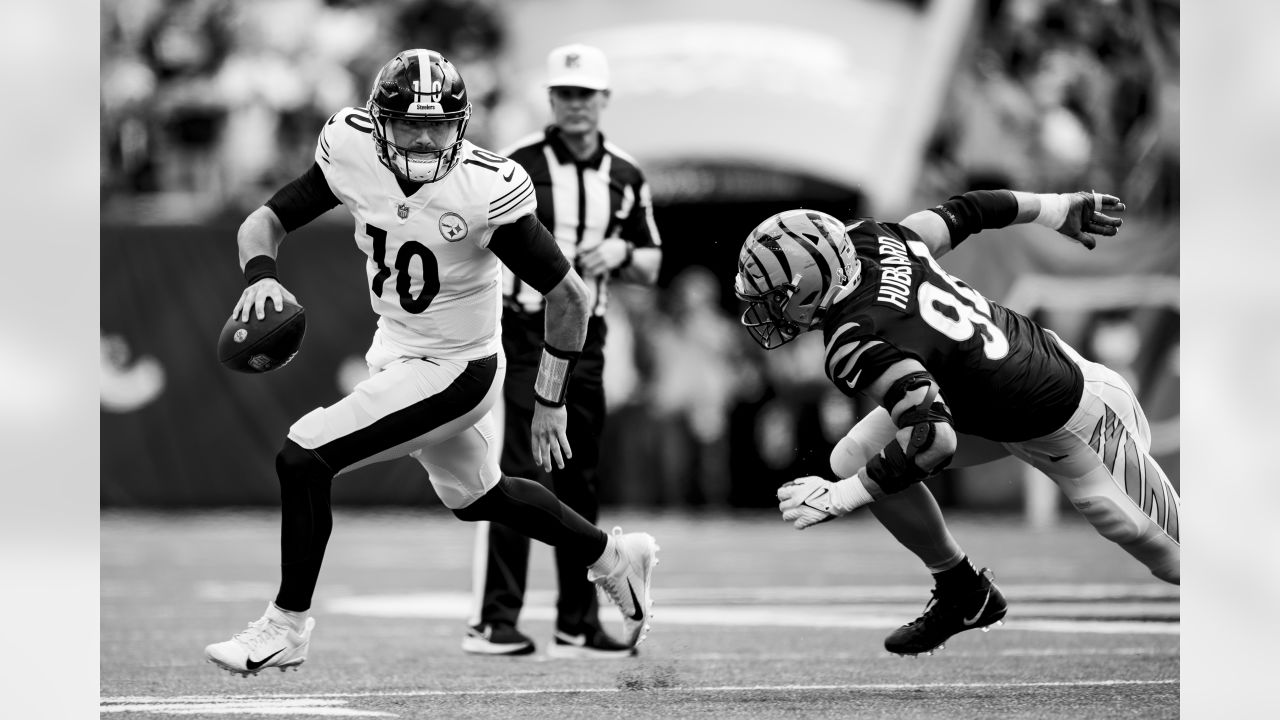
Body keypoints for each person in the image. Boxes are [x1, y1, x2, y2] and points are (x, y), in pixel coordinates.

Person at [203, 49, 660, 677]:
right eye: (409, 122)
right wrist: (259, 275)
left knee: (304, 454)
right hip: (395, 349)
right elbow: (264, 222)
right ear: (378, 120)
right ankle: (611, 555)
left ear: (461, 124)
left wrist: (550, 400)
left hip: (458, 369)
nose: (424, 137)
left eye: (439, 124)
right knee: (479, 497)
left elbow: (570, 298)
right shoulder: (351, 148)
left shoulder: (483, 189)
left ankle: (285, 628)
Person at [732, 189, 1180, 656]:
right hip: (1004, 402)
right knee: (854, 455)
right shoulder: (875, 239)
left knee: (1182, 562)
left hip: (1080, 426)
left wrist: (841, 498)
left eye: (773, 298)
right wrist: (1057, 207)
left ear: (808, 286)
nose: (765, 312)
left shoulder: (857, 339)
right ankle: (963, 591)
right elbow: (969, 211)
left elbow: (933, 440)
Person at [463, 43, 663, 659]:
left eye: (586, 94)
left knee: (579, 475)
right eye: (566, 94)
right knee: (520, 470)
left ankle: (576, 619)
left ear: (604, 100)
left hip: (589, 336)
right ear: (552, 99)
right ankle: (496, 619)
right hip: (523, 328)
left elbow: (653, 261)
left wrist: (621, 255)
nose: (576, 105)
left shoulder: (626, 174)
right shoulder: (516, 162)